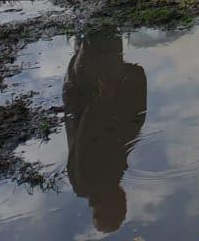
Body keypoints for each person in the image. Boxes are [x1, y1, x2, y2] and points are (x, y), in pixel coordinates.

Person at [62, 26, 147, 234]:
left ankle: (93, 27)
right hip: (88, 94)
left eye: (120, 205)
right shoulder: (109, 179)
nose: (125, 197)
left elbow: (86, 134)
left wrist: (103, 100)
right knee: (102, 34)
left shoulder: (88, 181)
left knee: (98, 34)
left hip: (83, 97)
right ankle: (94, 28)